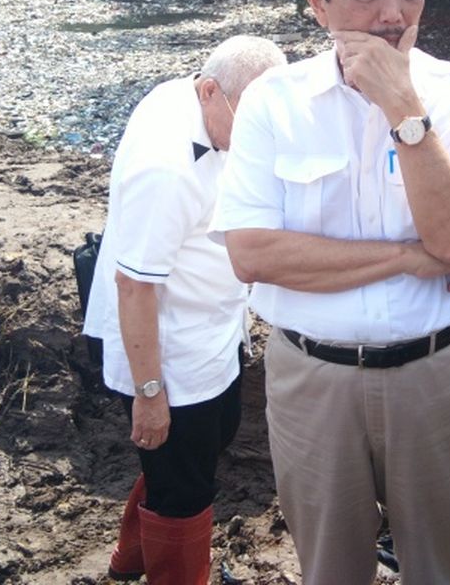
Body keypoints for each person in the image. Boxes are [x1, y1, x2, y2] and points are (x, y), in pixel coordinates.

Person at [211, 0, 450, 585]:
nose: (393, 12)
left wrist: (406, 113)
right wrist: (411, 256)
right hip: (312, 380)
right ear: (318, 2)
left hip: (436, 376)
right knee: (330, 571)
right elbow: (253, 254)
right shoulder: (272, 104)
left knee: (440, 569)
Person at [81, 35, 286, 583]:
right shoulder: (166, 169)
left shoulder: (194, 99)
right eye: (253, 119)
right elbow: (134, 286)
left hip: (214, 324)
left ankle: (131, 559)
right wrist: (149, 396)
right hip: (167, 349)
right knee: (184, 487)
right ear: (210, 91)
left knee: (208, 440)